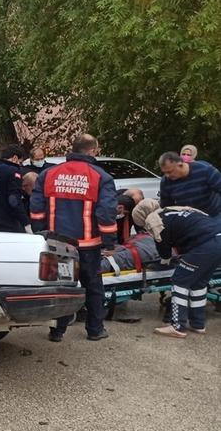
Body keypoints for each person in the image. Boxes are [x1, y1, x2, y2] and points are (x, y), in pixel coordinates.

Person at [30, 134, 118, 342]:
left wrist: (40, 233)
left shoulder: (49, 174)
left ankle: (57, 331)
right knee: (93, 286)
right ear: (92, 150)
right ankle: (95, 330)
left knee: (61, 286)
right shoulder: (101, 177)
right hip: (88, 245)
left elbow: (36, 208)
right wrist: (109, 242)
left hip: (56, 243)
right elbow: (106, 213)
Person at [132, 199, 221, 338]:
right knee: (198, 283)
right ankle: (198, 324)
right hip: (217, 238)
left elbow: (163, 249)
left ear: (142, 217)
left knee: (180, 280)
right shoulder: (172, 211)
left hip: (205, 245)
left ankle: (177, 326)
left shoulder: (153, 220)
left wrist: (164, 260)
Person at [158, 152, 221, 217]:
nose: (167, 175)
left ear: (180, 165)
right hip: (190, 220)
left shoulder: (205, 170)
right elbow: (167, 208)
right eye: (164, 172)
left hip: (214, 215)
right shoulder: (165, 182)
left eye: (169, 172)